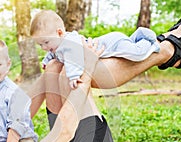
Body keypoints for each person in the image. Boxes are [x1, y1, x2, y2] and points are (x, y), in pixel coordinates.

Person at [27, 7, 181, 142]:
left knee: (56, 67)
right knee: (75, 73)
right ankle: (166, 50)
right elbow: (65, 131)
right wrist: (87, 68)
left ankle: (166, 50)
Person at [30, 10, 160, 89]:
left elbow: (73, 59)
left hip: (112, 44)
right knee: (131, 47)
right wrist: (46, 61)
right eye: (40, 45)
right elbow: (53, 54)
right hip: (111, 41)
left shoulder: (69, 43)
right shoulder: (56, 45)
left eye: (46, 42)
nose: (44, 48)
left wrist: (74, 76)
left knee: (137, 55)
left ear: (59, 33)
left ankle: (148, 41)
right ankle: (135, 37)